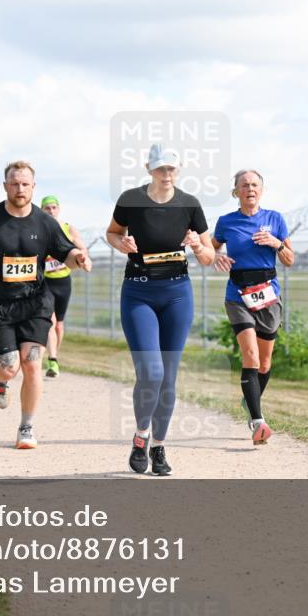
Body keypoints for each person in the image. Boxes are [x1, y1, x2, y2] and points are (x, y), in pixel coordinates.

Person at [0, 161, 91, 449]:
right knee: (8, 367)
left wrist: (78, 259)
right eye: (14, 183)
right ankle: (0, 379)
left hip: (36, 303)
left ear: (33, 187)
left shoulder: (45, 223)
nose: (20, 189)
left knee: (32, 364)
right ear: (5, 186)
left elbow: (65, 253)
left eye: (25, 184)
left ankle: (26, 427)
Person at [105, 143, 214, 476]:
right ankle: (141, 436)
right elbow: (112, 232)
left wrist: (197, 245)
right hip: (139, 292)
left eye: (171, 168)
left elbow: (209, 256)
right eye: (160, 168)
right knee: (150, 373)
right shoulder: (130, 199)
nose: (166, 174)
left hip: (177, 293)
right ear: (148, 168)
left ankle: (159, 447)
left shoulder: (190, 204)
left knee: (168, 377)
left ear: (178, 169)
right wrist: (120, 242)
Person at [212, 169, 293, 445]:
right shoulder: (226, 222)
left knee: (265, 362)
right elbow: (209, 250)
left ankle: (250, 401)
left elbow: (290, 259)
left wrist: (277, 243)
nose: (250, 189)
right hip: (237, 294)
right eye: (244, 185)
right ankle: (258, 422)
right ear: (236, 191)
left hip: (268, 295)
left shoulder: (275, 219)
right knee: (251, 357)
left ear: (262, 190)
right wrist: (217, 257)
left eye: (255, 185)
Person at [39, 195, 86, 378]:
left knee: (59, 324)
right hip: (46, 282)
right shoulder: (40, 229)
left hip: (63, 281)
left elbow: (80, 246)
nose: (50, 211)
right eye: (46, 208)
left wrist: (82, 255)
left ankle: (54, 356)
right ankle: (53, 359)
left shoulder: (68, 228)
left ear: (58, 209)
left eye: (53, 207)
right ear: (42, 210)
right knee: (50, 321)